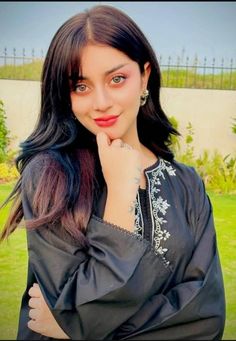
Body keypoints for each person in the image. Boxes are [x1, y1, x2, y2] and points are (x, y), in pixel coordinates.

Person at [0, 4, 225, 340]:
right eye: (81, 86)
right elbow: (70, 304)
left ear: (144, 75)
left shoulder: (187, 184)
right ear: (66, 95)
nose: (101, 101)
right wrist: (120, 195)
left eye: (117, 79)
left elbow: (204, 317)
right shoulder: (49, 178)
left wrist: (79, 327)